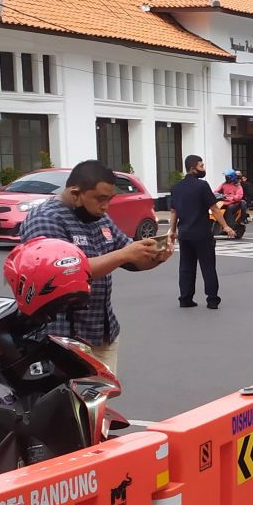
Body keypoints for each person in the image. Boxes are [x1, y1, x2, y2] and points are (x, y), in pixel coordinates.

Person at [20, 159, 171, 373]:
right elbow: (59, 274)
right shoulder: (46, 218)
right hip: (62, 339)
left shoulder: (100, 218)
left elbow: (130, 257)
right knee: (67, 404)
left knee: (97, 403)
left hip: (102, 332)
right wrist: (124, 254)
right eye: (100, 199)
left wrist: (155, 256)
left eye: (109, 199)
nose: (105, 206)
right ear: (75, 193)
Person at [170, 155, 234, 309]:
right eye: (201, 165)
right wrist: (225, 226)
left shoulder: (176, 187)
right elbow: (214, 208)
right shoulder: (202, 186)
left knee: (186, 267)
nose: (203, 168)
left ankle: (185, 299)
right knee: (208, 267)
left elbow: (173, 211)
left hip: (184, 234)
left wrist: (172, 231)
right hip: (201, 234)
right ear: (193, 168)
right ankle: (212, 300)